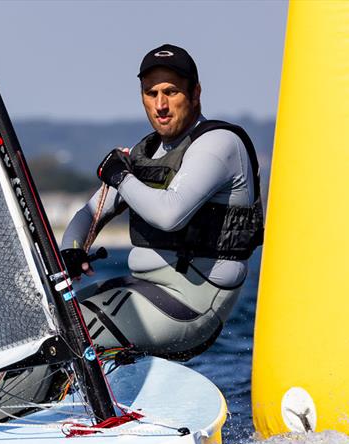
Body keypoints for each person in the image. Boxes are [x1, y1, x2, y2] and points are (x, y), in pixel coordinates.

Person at [60, 44, 264, 360]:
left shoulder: (218, 144)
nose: (161, 105)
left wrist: (120, 177)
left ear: (195, 94)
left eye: (171, 92)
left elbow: (170, 215)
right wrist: (71, 250)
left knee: (70, 335)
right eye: (150, 93)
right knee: (54, 320)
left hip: (192, 306)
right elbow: (88, 213)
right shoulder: (144, 154)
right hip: (144, 290)